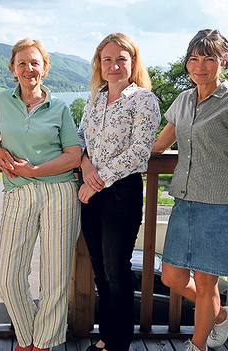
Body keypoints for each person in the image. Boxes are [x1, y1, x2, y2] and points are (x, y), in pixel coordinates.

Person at [152, 29, 228, 351]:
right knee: (171, 278)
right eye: (194, 58)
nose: (200, 65)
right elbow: (158, 145)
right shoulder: (183, 100)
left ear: (223, 61)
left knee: (207, 282)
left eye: (209, 58)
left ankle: (197, 345)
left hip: (220, 206)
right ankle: (223, 314)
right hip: (184, 201)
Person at [0, 38, 81, 351]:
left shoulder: (60, 107)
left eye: (35, 62)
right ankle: (28, 336)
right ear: (13, 68)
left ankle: (42, 345)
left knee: (55, 277)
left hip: (59, 192)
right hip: (17, 193)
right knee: (8, 276)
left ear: (45, 68)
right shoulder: (0, 101)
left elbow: (74, 154)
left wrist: (35, 171)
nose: (28, 69)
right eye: (22, 63)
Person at [77, 33, 160, 351]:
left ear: (133, 62)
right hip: (91, 190)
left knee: (116, 269)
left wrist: (98, 179)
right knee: (99, 268)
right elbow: (83, 135)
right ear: (99, 63)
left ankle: (119, 342)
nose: (113, 65)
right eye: (107, 59)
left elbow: (140, 152)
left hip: (120, 193)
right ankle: (105, 336)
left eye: (120, 59)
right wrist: (86, 165)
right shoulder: (96, 97)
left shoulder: (143, 99)